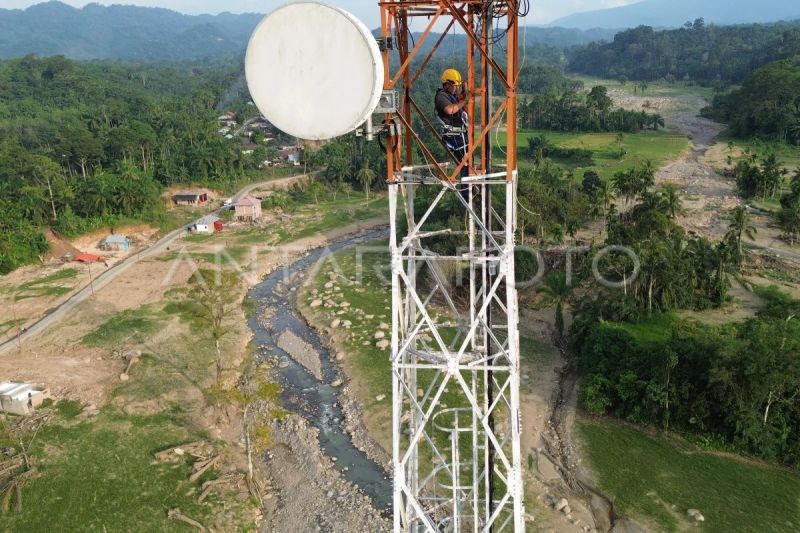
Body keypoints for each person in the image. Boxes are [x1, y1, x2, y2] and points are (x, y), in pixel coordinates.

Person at [435, 68, 470, 178]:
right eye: (455, 86)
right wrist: (464, 101)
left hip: (459, 135)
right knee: (465, 164)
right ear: (447, 84)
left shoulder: (452, 96)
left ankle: (468, 190)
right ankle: (466, 192)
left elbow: (459, 100)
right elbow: (450, 110)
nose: (457, 89)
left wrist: (465, 90)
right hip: (453, 137)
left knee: (467, 163)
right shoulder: (441, 96)